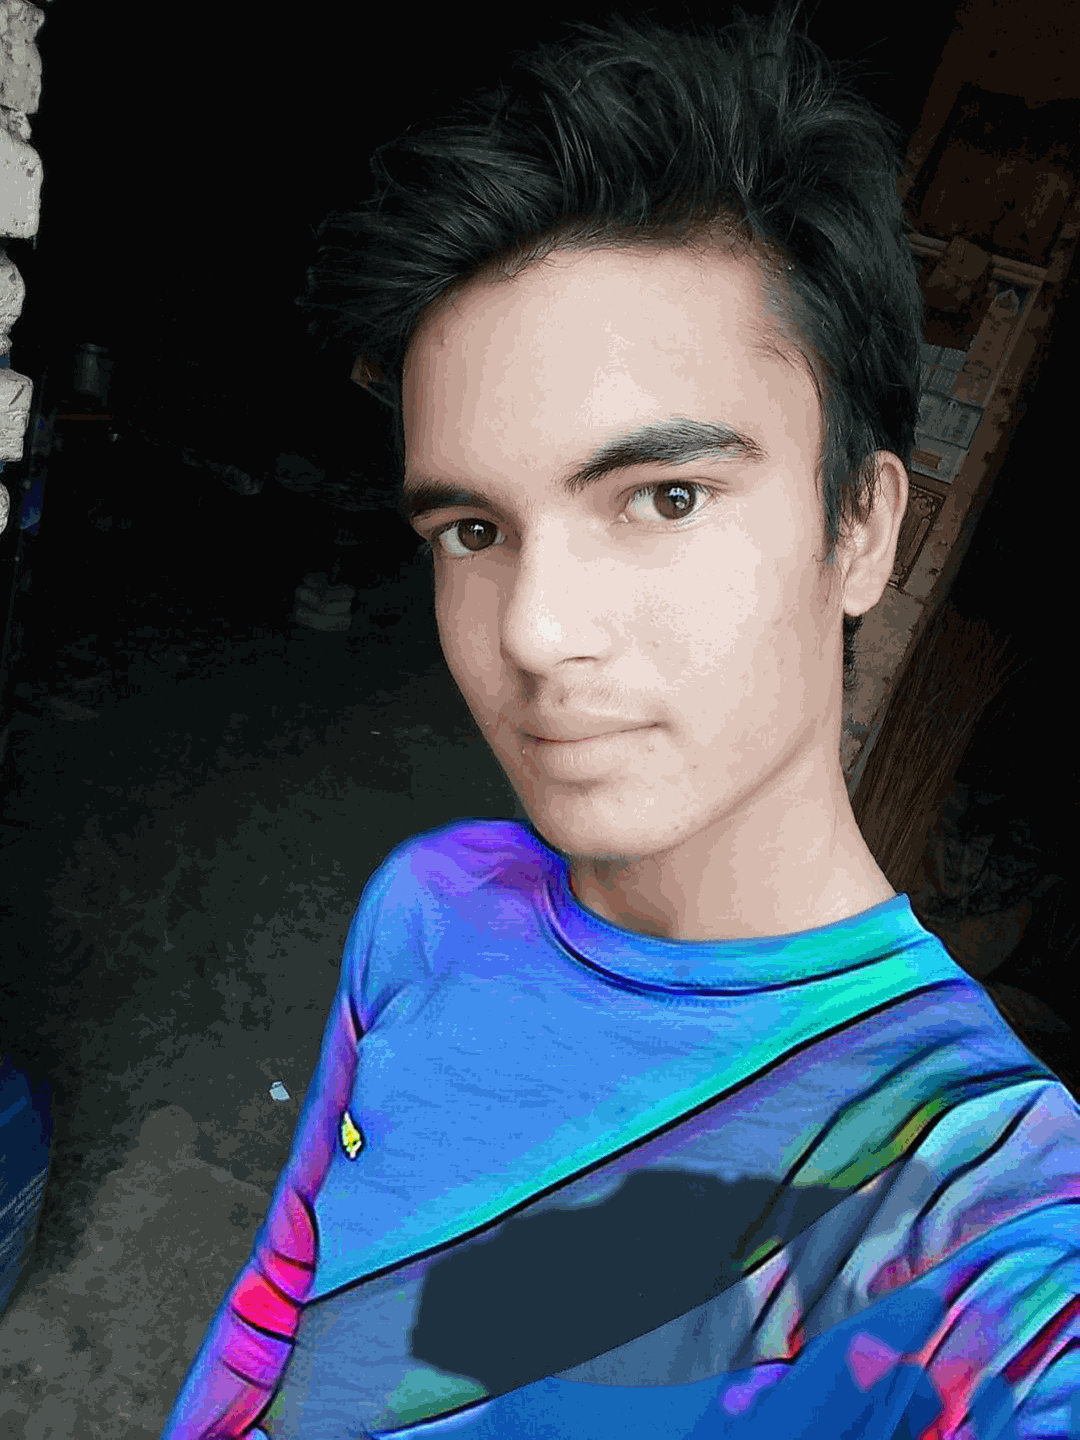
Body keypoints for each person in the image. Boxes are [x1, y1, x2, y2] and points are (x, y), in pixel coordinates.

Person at [160, 5, 1080, 1436]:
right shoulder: (428, 908)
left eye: (664, 497)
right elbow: (283, 1302)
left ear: (858, 526)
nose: (533, 631)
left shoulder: (979, 1189)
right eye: (473, 529)